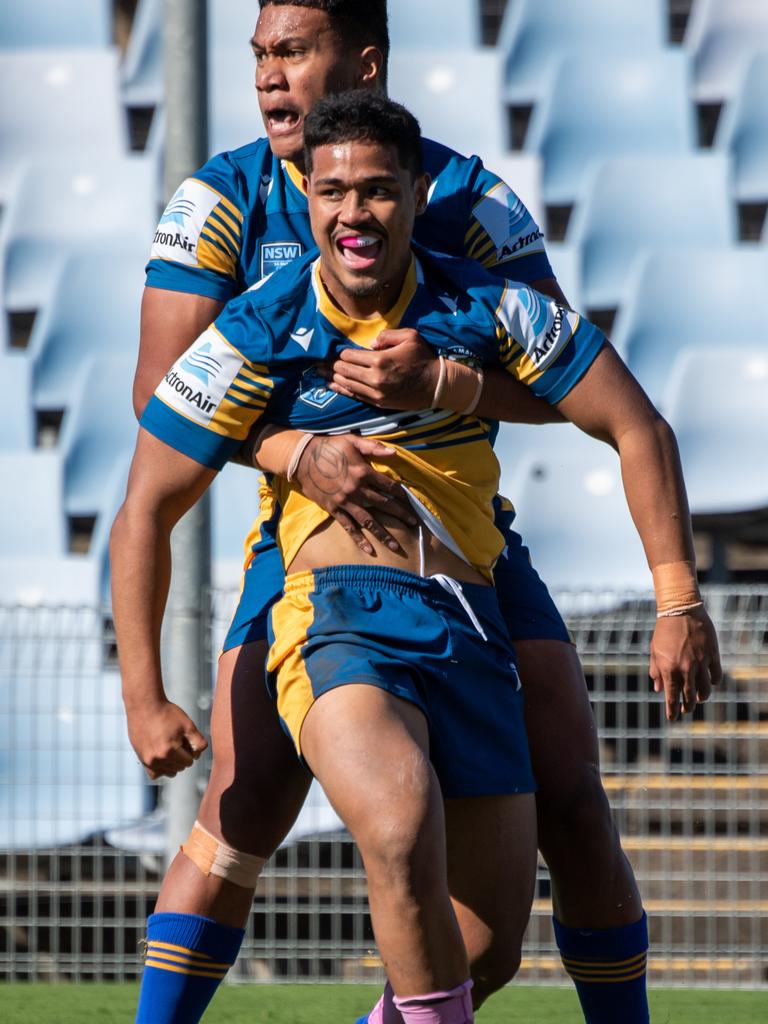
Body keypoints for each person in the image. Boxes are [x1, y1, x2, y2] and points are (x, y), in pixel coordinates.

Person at [127, 3, 719, 1023]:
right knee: (248, 796)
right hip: (310, 531)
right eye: (259, 55)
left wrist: (448, 383)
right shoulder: (220, 199)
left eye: (294, 53)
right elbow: (158, 403)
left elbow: (572, 383)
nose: (270, 78)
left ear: (365, 61)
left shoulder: (471, 205)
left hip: (467, 537)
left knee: (571, 801)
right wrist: (291, 447)